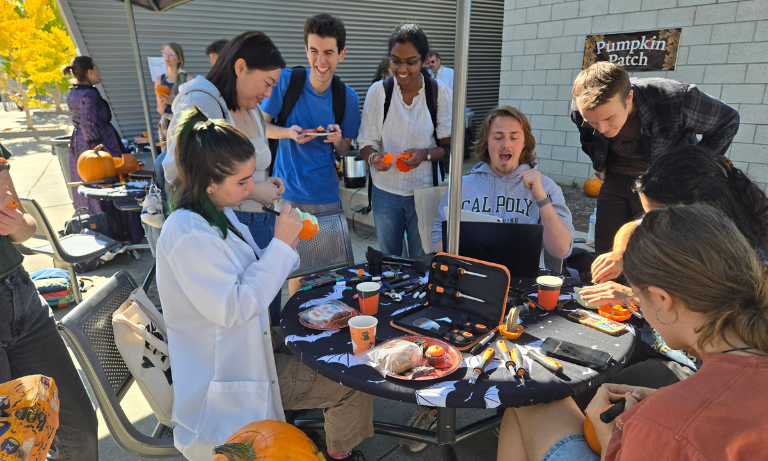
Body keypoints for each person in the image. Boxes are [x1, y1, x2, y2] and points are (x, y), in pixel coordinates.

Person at [156, 107, 373, 461]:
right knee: (351, 380)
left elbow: (254, 270)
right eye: (242, 182)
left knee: (334, 340)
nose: (249, 188)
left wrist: (255, 200)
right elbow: (234, 307)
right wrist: (282, 244)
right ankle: (339, 455)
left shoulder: (213, 212)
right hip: (226, 378)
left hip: (246, 348)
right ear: (210, 182)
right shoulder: (187, 234)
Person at [497, 204, 768, 461]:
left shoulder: (661, 425)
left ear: (662, 299)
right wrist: (662, 400)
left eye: (637, 294)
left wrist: (610, 441)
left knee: (527, 400)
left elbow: (685, 427)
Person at [161, 32, 288, 319]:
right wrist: (254, 190)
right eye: (267, 83)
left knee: (267, 317)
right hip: (228, 223)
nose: (268, 94)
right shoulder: (201, 102)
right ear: (240, 67)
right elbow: (183, 173)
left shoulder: (250, 107)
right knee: (254, 315)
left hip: (257, 221)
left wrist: (264, 183)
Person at [570, 61, 739, 257]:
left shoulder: (676, 99)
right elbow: (589, 139)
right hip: (617, 177)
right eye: (592, 121)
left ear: (629, 97)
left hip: (667, 183)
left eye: (609, 118)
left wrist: (692, 170)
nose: (602, 128)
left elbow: (728, 121)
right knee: (608, 251)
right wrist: (600, 163)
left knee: (655, 253)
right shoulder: (579, 108)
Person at [0, 143, 98, 460]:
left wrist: (16, 225)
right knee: (8, 446)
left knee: (77, 425)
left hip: (21, 296)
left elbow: (25, 224)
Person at [431, 106, 574, 267]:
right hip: (467, 279)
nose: (506, 144)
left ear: (524, 143)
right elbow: (436, 243)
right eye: (498, 137)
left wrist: (541, 199)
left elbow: (562, 250)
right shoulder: (461, 186)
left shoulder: (546, 187)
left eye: (514, 138)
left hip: (523, 286)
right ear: (486, 142)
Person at [359, 23, 452, 258]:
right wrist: (373, 157)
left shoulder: (439, 93)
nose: (402, 69)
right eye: (395, 61)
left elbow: (448, 147)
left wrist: (425, 154)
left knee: (424, 259)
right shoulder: (378, 92)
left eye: (410, 62)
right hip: (385, 192)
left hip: (424, 190)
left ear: (425, 60)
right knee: (390, 260)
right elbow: (365, 142)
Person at [263, 13, 361, 213]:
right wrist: (288, 133)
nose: (321, 60)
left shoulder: (348, 97)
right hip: (286, 194)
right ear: (306, 50)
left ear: (341, 54)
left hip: (326, 196)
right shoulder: (285, 82)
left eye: (328, 53)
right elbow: (261, 127)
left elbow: (343, 150)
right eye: (314, 51)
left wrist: (337, 138)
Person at [64, 56, 143, 242]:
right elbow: (89, 124)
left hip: (78, 142)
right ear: (90, 72)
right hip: (97, 144)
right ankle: (120, 232)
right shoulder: (90, 94)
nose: (99, 72)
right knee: (110, 184)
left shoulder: (72, 92)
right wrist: (99, 150)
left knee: (91, 185)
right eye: (96, 68)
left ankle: (99, 229)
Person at [154, 42, 187, 145]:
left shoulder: (188, 79)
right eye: (164, 53)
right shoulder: (159, 80)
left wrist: (175, 101)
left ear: (179, 59)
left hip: (182, 124)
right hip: (166, 126)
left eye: (171, 54)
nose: (166, 57)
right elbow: (159, 110)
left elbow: (192, 109)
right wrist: (163, 105)